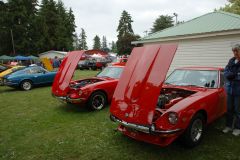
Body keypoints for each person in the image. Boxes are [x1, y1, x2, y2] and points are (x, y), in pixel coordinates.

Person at [223, 44, 240, 136]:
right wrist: (232, 75)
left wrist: (234, 76)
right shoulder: (231, 60)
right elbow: (225, 72)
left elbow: (237, 76)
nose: (235, 53)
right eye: (234, 51)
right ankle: (228, 126)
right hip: (230, 90)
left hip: (238, 91)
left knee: (237, 110)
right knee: (229, 109)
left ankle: (237, 128)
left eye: (237, 50)